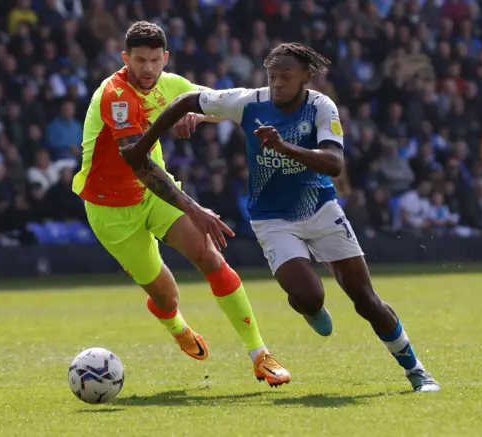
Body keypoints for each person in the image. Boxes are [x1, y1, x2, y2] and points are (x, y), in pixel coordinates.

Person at [121, 42, 440, 393]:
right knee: (309, 296)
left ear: (306, 77)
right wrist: (143, 144)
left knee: (365, 299)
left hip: (320, 209)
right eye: (272, 77)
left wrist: (284, 147)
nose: (277, 84)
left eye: (286, 77)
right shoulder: (249, 102)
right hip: (273, 220)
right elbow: (186, 102)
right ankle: (310, 309)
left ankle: (416, 371)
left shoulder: (321, 106)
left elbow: (334, 163)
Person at [72, 22, 290, 387]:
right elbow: (140, 165)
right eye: (139, 60)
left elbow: (224, 105)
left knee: (209, 256)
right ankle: (177, 326)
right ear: (125, 59)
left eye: (155, 60)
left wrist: (199, 112)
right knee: (165, 296)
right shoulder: (115, 96)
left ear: (165, 58)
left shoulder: (172, 86)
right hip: (110, 211)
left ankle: (260, 355)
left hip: (154, 197)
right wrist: (195, 208)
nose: (147, 69)